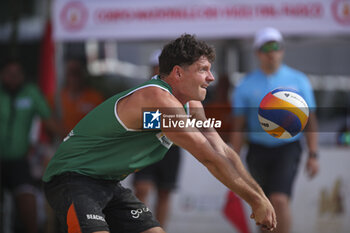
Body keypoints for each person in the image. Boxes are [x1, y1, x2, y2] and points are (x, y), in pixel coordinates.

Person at [43, 34, 277, 233]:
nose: (211, 77)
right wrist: (255, 200)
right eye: (203, 70)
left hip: (107, 182)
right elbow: (209, 158)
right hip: (72, 178)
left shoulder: (191, 103)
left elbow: (222, 150)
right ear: (177, 73)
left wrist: (261, 197)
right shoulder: (157, 98)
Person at [231, 27, 319, 233]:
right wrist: (232, 159)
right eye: (266, 47)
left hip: (287, 148)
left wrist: (313, 154)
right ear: (257, 53)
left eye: (276, 47)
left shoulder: (299, 80)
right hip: (257, 149)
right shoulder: (245, 84)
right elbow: (238, 126)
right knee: (263, 205)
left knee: (279, 201)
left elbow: (312, 121)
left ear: (282, 50)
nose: (272, 52)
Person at [0, 59, 62, 233]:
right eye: (9, 74)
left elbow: (50, 122)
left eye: (17, 74)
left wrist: (72, 139)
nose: (13, 78)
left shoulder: (31, 92)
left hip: (19, 160)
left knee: (28, 200)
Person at [133, 49, 181, 227]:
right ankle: (143, 229)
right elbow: (144, 121)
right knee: (142, 189)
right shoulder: (144, 91)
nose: (159, 71)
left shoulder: (178, 93)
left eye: (162, 68)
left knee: (164, 192)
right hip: (146, 146)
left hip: (171, 147)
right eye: (156, 68)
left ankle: (160, 229)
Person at [48, 58, 105, 135]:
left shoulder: (94, 97)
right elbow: (47, 119)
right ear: (66, 76)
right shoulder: (56, 98)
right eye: (71, 74)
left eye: (77, 73)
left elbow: (102, 121)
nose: (74, 78)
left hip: (87, 142)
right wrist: (63, 133)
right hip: (64, 143)